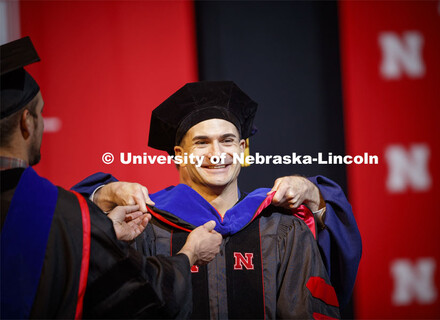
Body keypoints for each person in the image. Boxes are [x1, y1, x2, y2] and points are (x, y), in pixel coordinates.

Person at [74, 81, 362, 318]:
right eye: (201, 142)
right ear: (179, 154)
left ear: (243, 148)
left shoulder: (282, 229)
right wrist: (105, 193)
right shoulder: (146, 225)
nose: (216, 153)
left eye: (227, 140)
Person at [0, 37, 223, 319]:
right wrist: (189, 253)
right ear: (26, 122)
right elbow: (138, 298)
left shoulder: (65, 217)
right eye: (41, 112)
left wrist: (100, 230)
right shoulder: (61, 214)